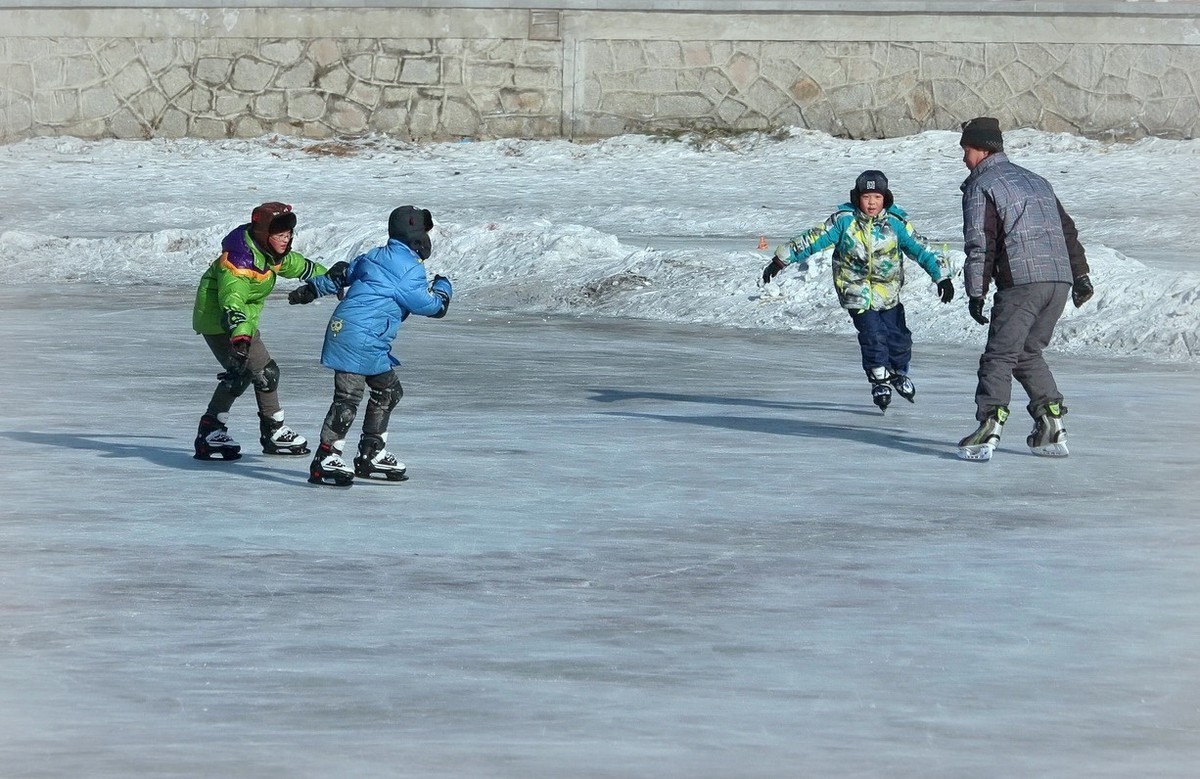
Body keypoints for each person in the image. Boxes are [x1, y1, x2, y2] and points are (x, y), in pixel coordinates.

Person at [955, 117, 1094, 461]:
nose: (964, 158)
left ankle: (989, 426)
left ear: (982, 149)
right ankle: (1051, 425)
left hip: (1022, 282)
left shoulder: (982, 184)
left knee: (999, 356)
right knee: (1027, 353)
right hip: (1058, 281)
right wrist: (1080, 276)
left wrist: (976, 291)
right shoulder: (1036, 181)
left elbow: (981, 241)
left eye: (966, 150)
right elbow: (1067, 230)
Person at [762, 170, 955, 411]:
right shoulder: (844, 222)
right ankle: (879, 378)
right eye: (866, 197)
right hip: (855, 291)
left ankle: (898, 372)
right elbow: (813, 239)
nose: (871, 203)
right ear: (857, 198)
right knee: (873, 334)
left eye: (877, 197)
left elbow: (922, 249)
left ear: (886, 198)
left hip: (888, 293)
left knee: (899, 338)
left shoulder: (895, 224)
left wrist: (941, 277)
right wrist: (780, 260)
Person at [288, 205, 453, 486]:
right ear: (415, 235)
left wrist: (312, 290)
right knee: (348, 398)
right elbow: (431, 306)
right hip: (359, 338)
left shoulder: (376, 255)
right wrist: (443, 289)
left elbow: (343, 274)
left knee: (389, 391)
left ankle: (371, 453)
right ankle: (326, 456)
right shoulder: (409, 270)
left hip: (360, 336)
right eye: (425, 232)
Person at [191, 202, 346, 461]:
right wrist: (240, 338)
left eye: (289, 234)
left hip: (240, 322)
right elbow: (232, 302)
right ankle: (268, 430)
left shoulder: (269, 254)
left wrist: (330, 279)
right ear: (264, 234)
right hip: (223, 321)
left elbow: (299, 266)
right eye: (280, 235)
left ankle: (215, 430)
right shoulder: (238, 263)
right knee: (261, 372)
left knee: (247, 374)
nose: (286, 239)